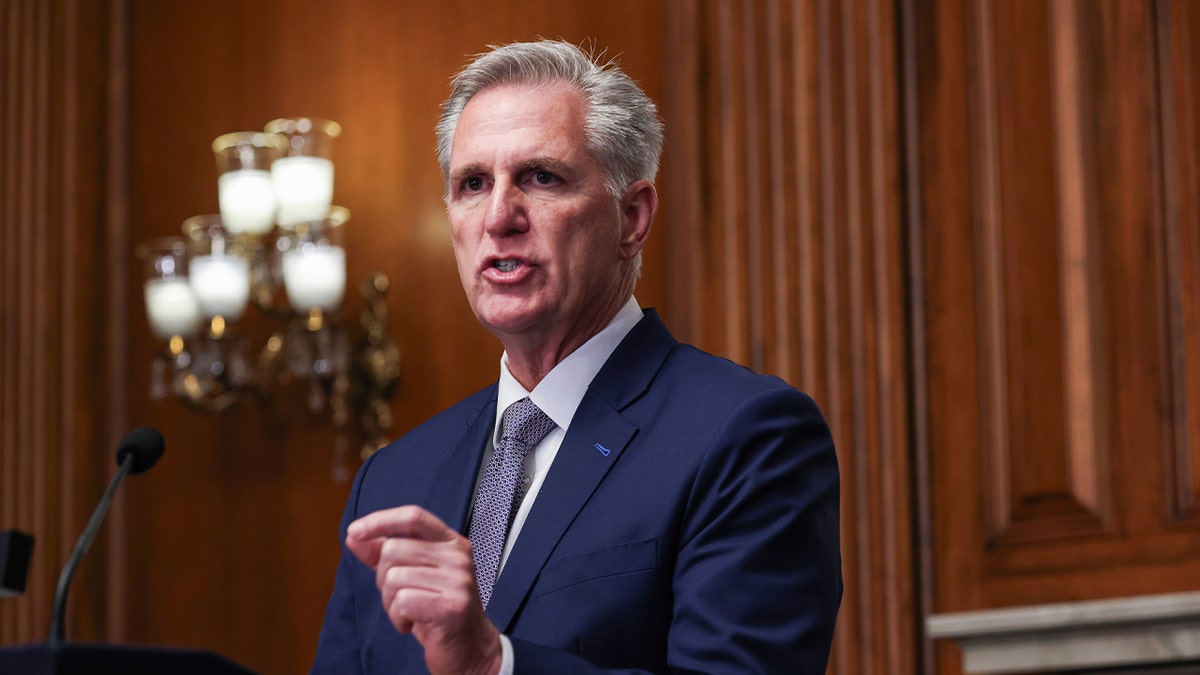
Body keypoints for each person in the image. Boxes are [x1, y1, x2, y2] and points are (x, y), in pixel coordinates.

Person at [311, 39, 842, 675]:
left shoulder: (746, 435)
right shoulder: (392, 481)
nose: (499, 217)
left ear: (632, 218)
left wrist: (493, 663)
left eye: (541, 177)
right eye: (473, 184)